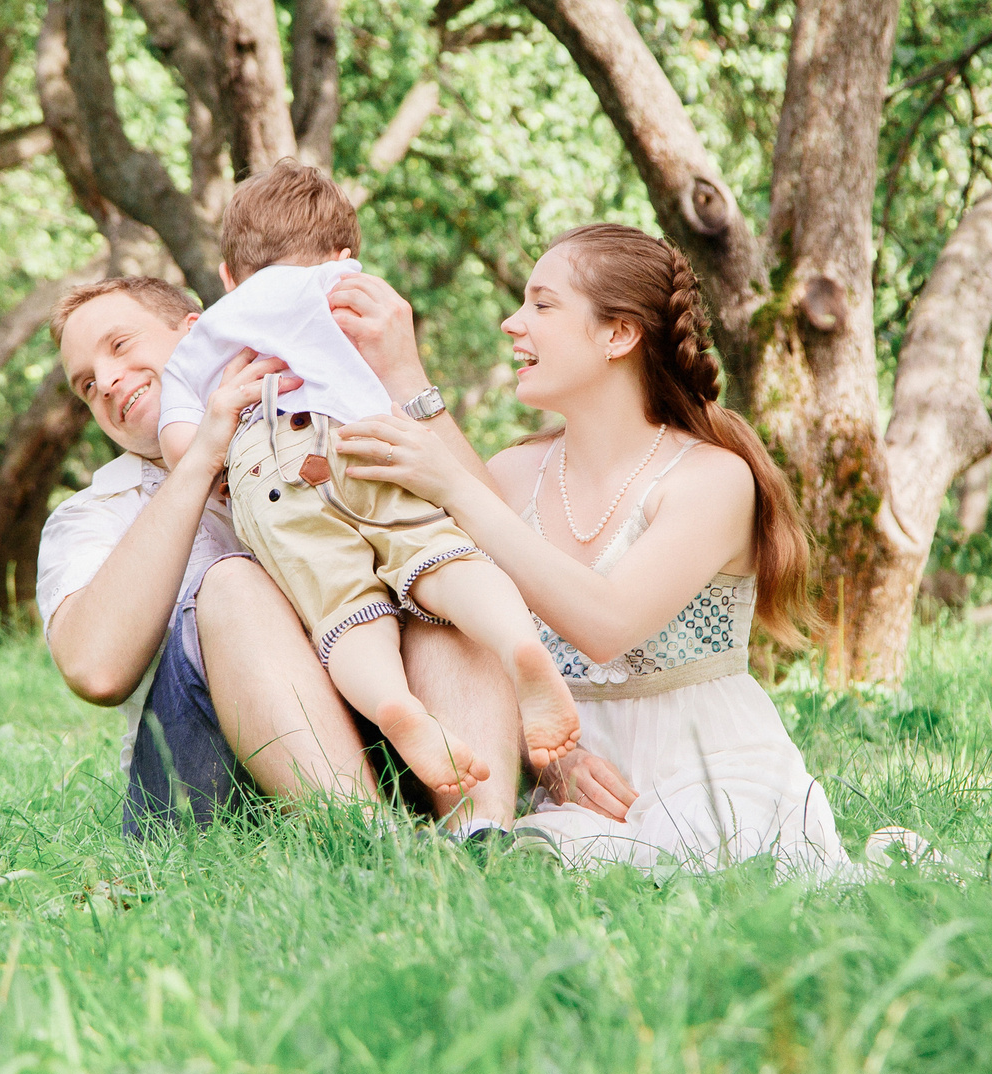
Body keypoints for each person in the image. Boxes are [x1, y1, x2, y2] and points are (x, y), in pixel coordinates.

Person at [337, 223, 873, 880]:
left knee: (688, 868)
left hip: (707, 768)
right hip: (568, 778)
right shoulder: (513, 473)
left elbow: (606, 624)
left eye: (542, 304)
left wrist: (453, 486)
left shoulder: (710, 478)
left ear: (618, 334)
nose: (512, 323)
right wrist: (398, 369)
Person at [156, 160, 585, 805]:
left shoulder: (208, 332)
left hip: (273, 479)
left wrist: (218, 448)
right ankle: (520, 645)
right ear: (343, 254)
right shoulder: (345, 287)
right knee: (444, 557)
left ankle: (393, 706)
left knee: (346, 613)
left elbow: (183, 441)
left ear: (226, 275)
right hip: (364, 442)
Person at [38, 270, 522, 839]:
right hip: (204, 790)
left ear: (200, 334)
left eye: (119, 346)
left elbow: (501, 552)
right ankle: (373, 844)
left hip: (380, 749)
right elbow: (97, 671)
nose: (110, 382)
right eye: (87, 385)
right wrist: (200, 457)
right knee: (231, 585)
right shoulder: (93, 513)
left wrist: (405, 377)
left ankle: (483, 836)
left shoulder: (323, 425)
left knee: (432, 570)